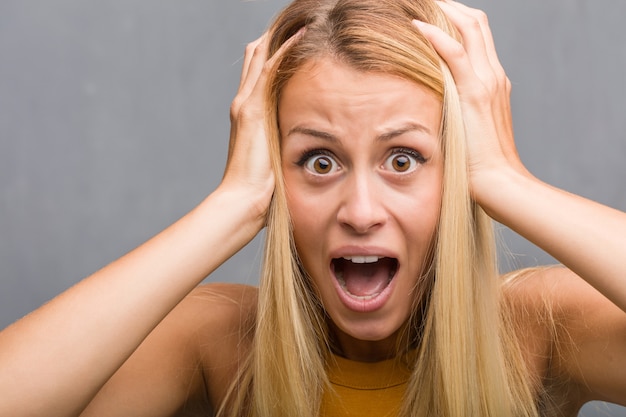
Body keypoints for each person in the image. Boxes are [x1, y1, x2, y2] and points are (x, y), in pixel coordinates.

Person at [1, 0, 625, 416]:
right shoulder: (220, 342)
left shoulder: (536, 329)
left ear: (456, 171)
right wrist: (232, 206)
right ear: (275, 174)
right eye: (318, 162)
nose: (360, 210)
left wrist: (505, 180)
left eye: (403, 159)